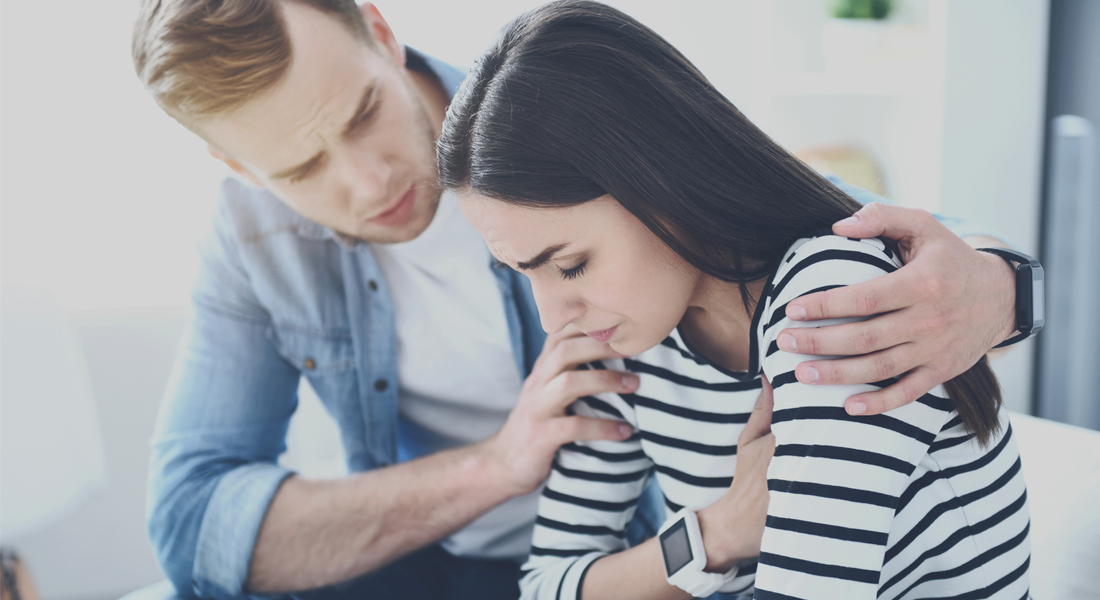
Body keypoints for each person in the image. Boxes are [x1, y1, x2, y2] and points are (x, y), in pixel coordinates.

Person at [130, 1, 1027, 598]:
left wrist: (1001, 287)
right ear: (240, 171)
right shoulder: (619, 327)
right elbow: (191, 523)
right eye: (298, 167)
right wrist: (697, 530)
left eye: (363, 112)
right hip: (492, 558)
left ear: (378, 30)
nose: (365, 182)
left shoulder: (805, 299)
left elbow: (896, 245)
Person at [437, 2, 1031, 599]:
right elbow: (545, 587)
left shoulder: (831, 301)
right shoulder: (615, 341)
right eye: (522, 274)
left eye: (570, 265)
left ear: (659, 180)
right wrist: (717, 533)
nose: (550, 318)